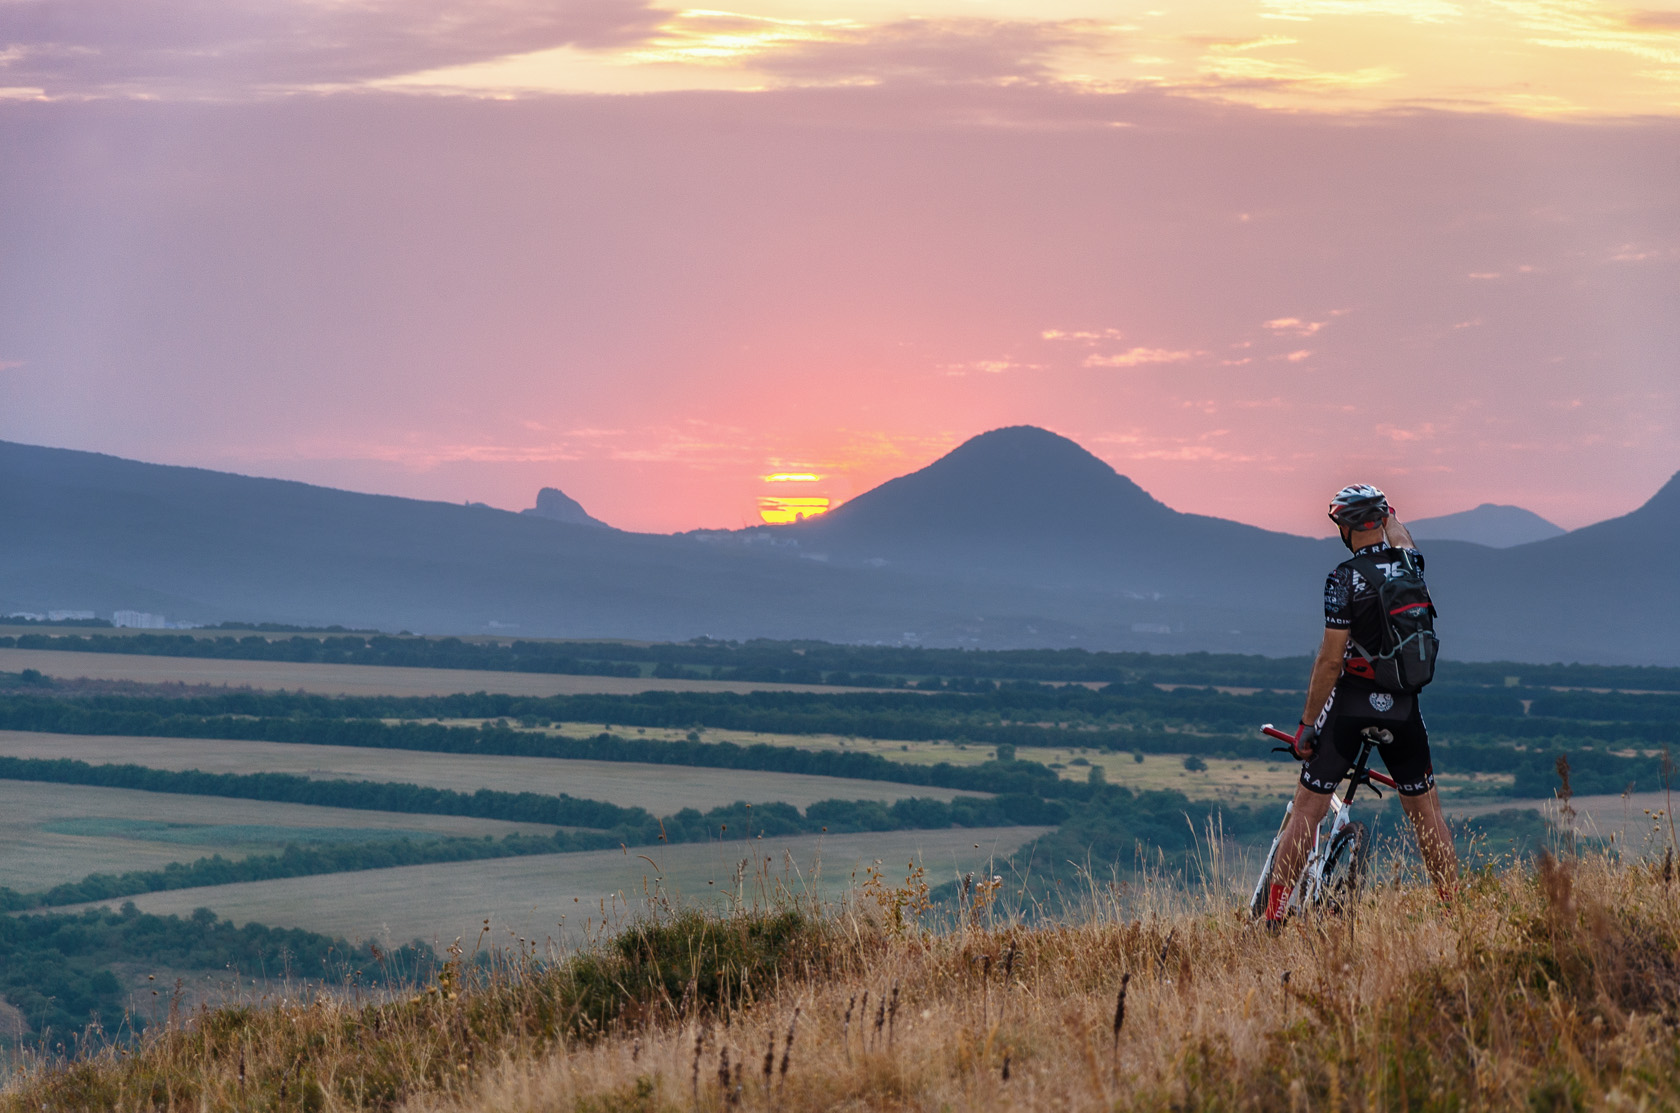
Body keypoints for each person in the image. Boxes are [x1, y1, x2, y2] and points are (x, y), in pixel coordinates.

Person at [1262, 483, 1459, 925]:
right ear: (1383, 521)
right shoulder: (1411, 563)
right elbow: (1403, 536)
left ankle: (1272, 918)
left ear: (1346, 529)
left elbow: (1331, 660)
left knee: (1308, 812)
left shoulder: (1343, 578)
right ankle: (1453, 912)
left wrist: (1307, 724)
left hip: (1351, 705)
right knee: (1428, 817)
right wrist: (1390, 513)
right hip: (1405, 709)